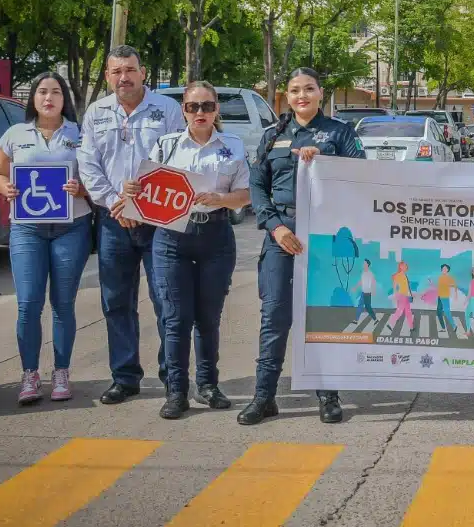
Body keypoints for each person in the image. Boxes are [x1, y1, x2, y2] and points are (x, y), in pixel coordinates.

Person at [241, 66, 363, 426]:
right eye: (295, 91)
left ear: (321, 93)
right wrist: (275, 227)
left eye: (309, 89)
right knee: (274, 317)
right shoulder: (272, 135)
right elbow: (257, 186)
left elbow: (361, 178)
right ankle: (264, 396)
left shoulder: (339, 134)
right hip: (283, 235)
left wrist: (324, 163)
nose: (302, 96)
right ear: (287, 97)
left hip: (324, 237)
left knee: (323, 317)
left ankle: (328, 394)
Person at [77, 46, 185, 405]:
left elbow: (176, 162)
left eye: (130, 70)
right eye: (116, 72)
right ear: (108, 76)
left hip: (158, 222)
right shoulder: (96, 112)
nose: (124, 77)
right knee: (116, 301)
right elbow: (88, 165)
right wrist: (114, 203)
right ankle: (124, 377)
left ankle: (173, 376)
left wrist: (142, 205)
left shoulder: (167, 110)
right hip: (112, 222)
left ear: (142, 73)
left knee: (165, 299)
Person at [148, 81, 251, 419]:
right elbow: (147, 188)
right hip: (172, 238)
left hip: (216, 235)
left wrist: (222, 199)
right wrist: (133, 189)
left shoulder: (233, 146)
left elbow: (246, 194)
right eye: (193, 107)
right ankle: (176, 392)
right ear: (184, 111)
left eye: (207, 106)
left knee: (208, 318)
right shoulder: (165, 147)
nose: (201, 113)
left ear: (216, 109)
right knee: (176, 319)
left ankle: (207, 385)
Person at [0, 72, 93, 405]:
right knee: (29, 303)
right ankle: (29, 374)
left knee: (63, 304)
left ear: (65, 99)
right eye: (41, 92)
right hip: (27, 229)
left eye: (55, 92)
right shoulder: (15, 134)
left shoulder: (80, 134)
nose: (48, 98)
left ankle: (61, 372)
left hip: (72, 226)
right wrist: (4, 186)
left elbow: (96, 177)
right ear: (32, 98)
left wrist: (82, 189)